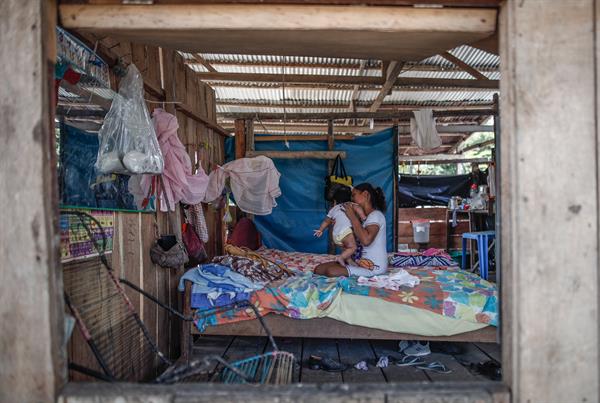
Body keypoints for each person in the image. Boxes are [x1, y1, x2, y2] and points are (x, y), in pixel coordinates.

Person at [314, 182, 388, 278]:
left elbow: (366, 241)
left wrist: (351, 216)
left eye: (353, 195)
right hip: (357, 262)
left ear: (365, 195)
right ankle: (351, 265)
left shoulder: (376, 215)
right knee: (319, 269)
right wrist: (339, 224)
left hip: (373, 268)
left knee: (331, 271)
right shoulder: (360, 218)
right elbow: (353, 236)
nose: (351, 199)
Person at [313, 185, 366, 267]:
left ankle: (349, 261)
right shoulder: (351, 204)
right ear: (350, 198)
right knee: (353, 247)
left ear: (335, 200)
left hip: (335, 235)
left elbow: (326, 221)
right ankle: (341, 258)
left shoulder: (334, 209)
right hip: (345, 232)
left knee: (346, 249)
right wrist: (363, 217)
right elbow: (359, 210)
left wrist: (320, 230)